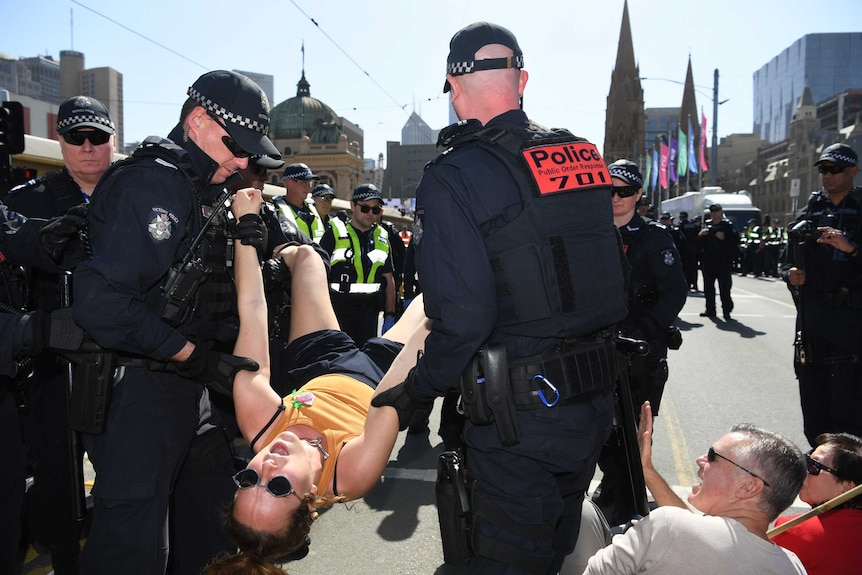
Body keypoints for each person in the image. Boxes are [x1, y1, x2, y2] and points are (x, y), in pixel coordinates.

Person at [372, 22, 628, 574]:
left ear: (453, 87)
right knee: (557, 552)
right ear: (522, 79)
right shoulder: (582, 154)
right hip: (593, 402)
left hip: (521, 418)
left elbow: (463, 318)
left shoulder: (453, 174)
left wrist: (418, 390)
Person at [69, 70, 280, 575]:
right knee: (135, 550)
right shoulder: (153, 185)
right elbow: (101, 302)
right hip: (140, 392)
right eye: (238, 145)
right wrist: (194, 356)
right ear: (197, 121)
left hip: (189, 390)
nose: (245, 161)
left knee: (210, 533)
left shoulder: (205, 187)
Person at [203, 188, 430, 574]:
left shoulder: (261, 425)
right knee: (432, 304)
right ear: (310, 501)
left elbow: (253, 312)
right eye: (276, 487)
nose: (267, 465)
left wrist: (248, 225)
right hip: (378, 382)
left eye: (249, 477)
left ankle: (284, 251)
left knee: (308, 257)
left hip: (318, 366)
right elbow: (396, 391)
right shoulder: (351, 475)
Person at [3, 94, 116, 574]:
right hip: (49, 358)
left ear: (112, 142)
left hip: (123, 357)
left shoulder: (134, 194)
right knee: (55, 473)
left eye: (98, 137)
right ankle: (67, 557)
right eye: (76, 137)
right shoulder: (26, 201)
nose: (88, 147)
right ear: (61, 141)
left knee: (123, 468)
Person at [583, 401, 808, 574]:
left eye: (713, 456)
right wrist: (648, 472)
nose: (700, 459)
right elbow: (706, 536)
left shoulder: (669, 526)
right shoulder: (794, 566)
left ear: (749, 487)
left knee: (585, 514)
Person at [593, 160, 687, 526]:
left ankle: (626, 501)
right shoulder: (590, 232)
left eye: (624, 192)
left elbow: (674, 292)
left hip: (639, 352)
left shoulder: (654, 237)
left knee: (631, 433)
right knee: (597, 426)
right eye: (608, 190)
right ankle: (614, 486)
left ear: (638, 195)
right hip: (595, 347)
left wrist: (643, 328)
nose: (615, 198)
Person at [782, 142, 862, 445]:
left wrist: (852, 249)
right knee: (815, 416)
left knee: (850, 420)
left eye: (835, 169)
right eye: (824, 170)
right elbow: (785, 261)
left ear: (853, 171)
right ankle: (821, 481)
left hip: (851, 329)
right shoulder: (810, 213)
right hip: (813, 324)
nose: (828, 176)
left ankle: (850, 488)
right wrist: (790, 275)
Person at [771, 432, 862, 575]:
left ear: (847, 487)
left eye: (814, 466)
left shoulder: (795, 530)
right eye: (806, 461)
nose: (803, 470)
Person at [320, 183, 396, 345]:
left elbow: (389, 280)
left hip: (370, 314)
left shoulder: (382, 237)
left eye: (375, 210)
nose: (370, 213)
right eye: (365, 208)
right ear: (352, 205)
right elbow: (318, 274)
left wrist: (390, 315)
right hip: (338, 311)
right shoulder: (334, 232)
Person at [697, 203, 740, 320]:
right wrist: (700, 235)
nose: (714, 213)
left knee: (724, 288)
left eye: (716, 211)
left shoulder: (727, 226)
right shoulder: (707, 225)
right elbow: (700, 244)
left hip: (723, 261)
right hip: (708, 261)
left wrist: (723, 237)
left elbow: (735, 240)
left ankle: (727, 310)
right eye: (712, 211)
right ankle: (710, 310)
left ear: (721, 212)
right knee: (708, 288)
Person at [272, 163, 326, 242]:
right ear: (288, 182)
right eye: (304, 182)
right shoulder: (275, 209)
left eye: (309, 182)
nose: (309, 186)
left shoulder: (312, 208)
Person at [677, 211, 701, 291]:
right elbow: (698, 236)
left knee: (685, 268)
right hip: (694, 249)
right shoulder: (693, 225)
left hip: (684, 250)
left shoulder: (681, 226)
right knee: (693, 268)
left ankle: (687, 284)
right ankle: (694, 284)